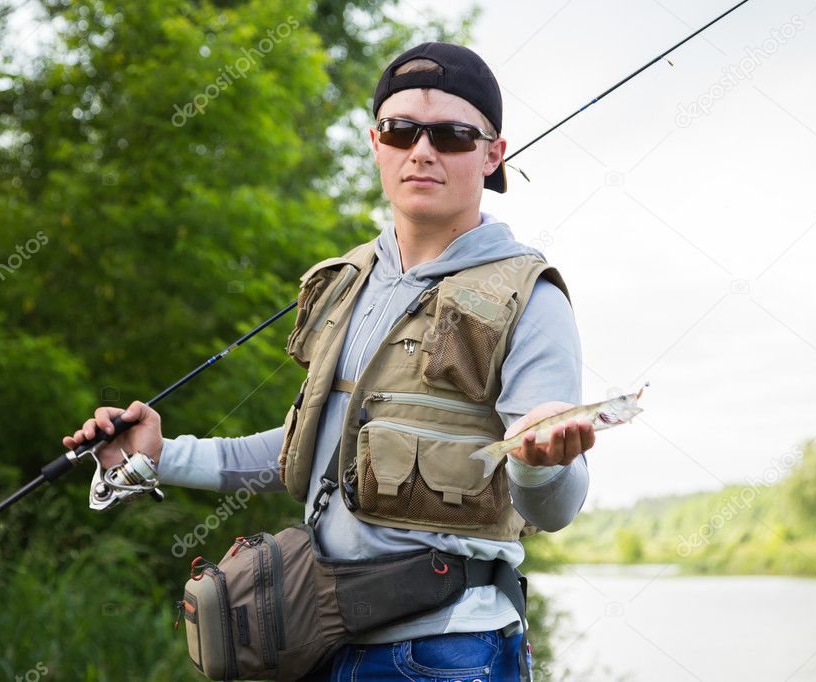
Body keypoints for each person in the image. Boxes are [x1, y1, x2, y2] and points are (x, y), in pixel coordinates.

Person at [64, 42, 594, 681]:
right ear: (377, 143)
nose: (422, 151)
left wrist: (543, 465)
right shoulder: (344, 284)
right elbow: (305, 452)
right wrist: (159, 455)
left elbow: (555, 509)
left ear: (492, 154)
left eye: (452, 135)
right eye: (402, 131)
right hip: (322, 643)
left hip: (452, 653)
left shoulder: (529, 296)